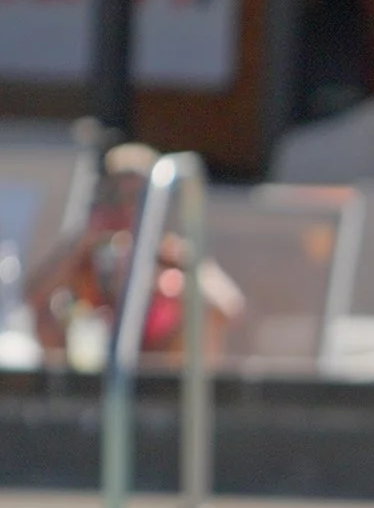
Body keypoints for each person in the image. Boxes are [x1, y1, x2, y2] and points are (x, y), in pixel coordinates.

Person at [23, 144, 243, 366]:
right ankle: (67, 393)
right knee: (48, 314)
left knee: (203, 316)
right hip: (94, 354)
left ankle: (176, 394)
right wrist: (79, 249)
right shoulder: (85, 253)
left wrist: (169, 283)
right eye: (115, 197)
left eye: (136, 198)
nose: (125, 209)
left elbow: (228, 305)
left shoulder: (170, 253)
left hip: (158, 360)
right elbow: (31, 299)